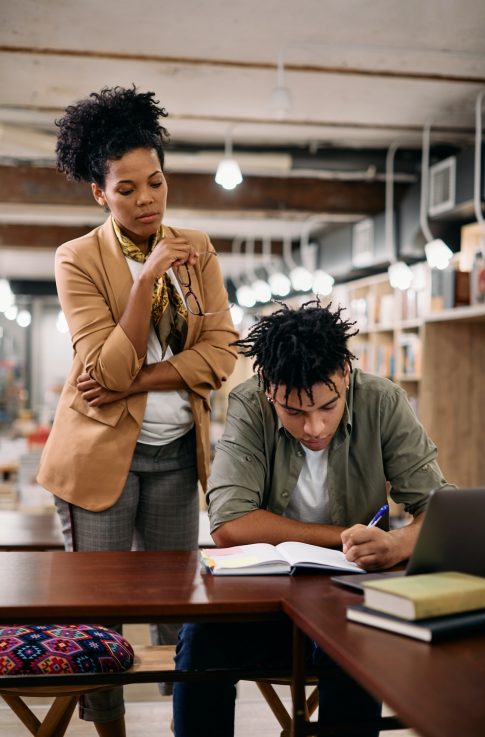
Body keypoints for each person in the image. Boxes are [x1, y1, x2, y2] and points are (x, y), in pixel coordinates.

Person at [37, 85, 238, 737]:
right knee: (97, 616)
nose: (147, 198)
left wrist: (130, 383)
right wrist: (148, 276)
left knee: (178, 611)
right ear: (100, 193)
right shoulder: (78, 259)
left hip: (178, 455)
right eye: (127, 189)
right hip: (98, 463)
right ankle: (111, 732)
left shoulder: (197, 246)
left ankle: (187, 725)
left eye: (154, 181)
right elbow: (105, 368)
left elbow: (220, 355)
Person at [173, 300, 451, 737]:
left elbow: (440, 510)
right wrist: (343, 536)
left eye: (327, 406)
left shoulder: (383, 401)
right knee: (201, 638)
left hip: (346, 595)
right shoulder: (249, 403)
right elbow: (228, 521)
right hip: (262, 597)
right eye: (294, 412)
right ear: (268, 388)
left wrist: (396, 543)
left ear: (345, 372)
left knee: (357, 641)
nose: (315, 427)